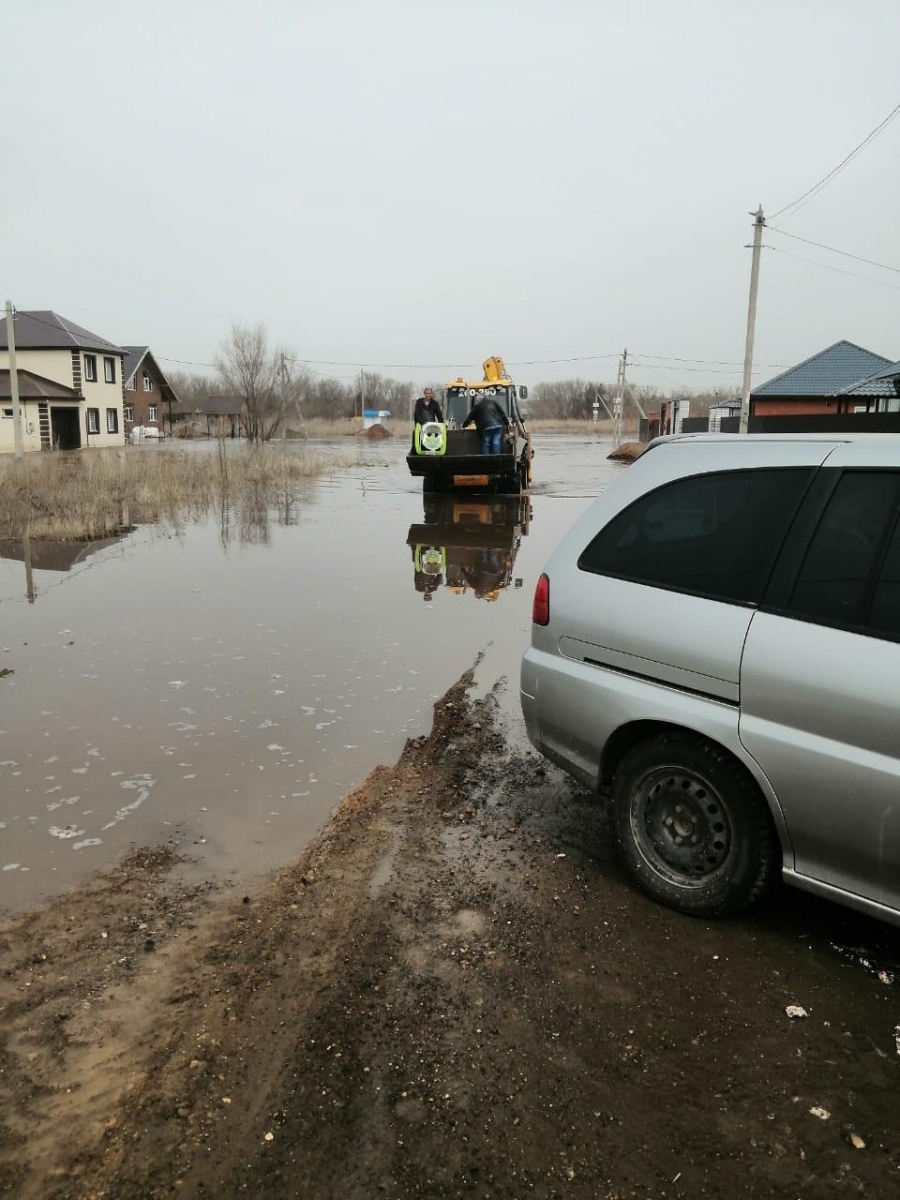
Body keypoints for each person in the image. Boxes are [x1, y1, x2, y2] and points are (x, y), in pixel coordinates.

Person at [412, 387, 443, 451]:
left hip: (431, 425)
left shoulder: (435, 404)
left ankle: (436, 449)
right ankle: (416, 450)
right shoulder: (419, 403)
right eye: (426, 393)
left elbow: (439, 415)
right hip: (421, 424)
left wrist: (442, 425)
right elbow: (416, 414)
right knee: (415, 433)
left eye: (429, 393)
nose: (428, 395)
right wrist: (422, 423)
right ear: (424, 394)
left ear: (431, 394)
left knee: (436, 435)